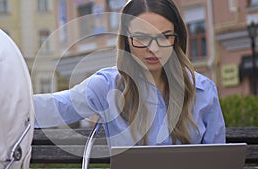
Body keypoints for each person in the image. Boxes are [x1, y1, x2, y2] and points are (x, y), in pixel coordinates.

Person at [34, 0, 225, 147]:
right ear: (126, 41)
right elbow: (53, 107)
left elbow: (220, 160)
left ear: (177, 39)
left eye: (165, 36)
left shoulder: (203, 90)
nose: (153, 48)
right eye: (141, 38)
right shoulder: (107, 86)